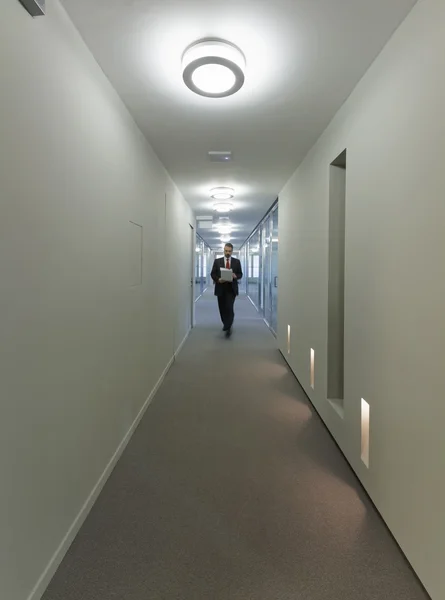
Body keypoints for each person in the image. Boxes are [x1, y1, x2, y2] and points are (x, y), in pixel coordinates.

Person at [211, 243, 243, 337]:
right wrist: (218, 279)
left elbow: (240, 274)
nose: (227, 253)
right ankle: (225, 323)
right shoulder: (217, 261)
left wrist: (235, 276)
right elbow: (213, 274)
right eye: (226, 251)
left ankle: (228, 326)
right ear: (223, 250)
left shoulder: (236, 262)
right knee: (222, 308)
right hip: (220, 287)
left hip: (231, 289)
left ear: (232, 251)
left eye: (229, 251)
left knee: (229, 307)